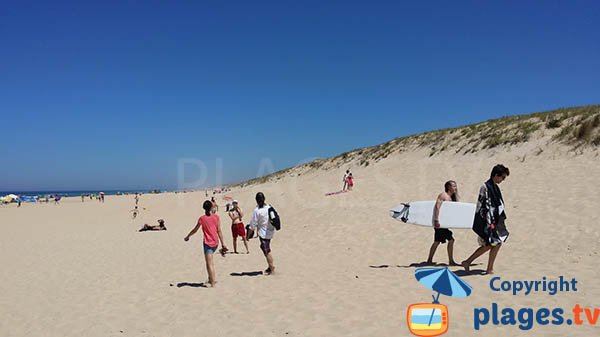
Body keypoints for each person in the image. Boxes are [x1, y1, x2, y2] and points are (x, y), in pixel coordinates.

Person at [462, 164, 510, 275]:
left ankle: (474, 263)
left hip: (494, 221)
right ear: (496, 175)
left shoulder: (495, 187)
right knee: (492, 244)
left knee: (495, 244)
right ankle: (472, 263)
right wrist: (487, 222)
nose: (503, 180)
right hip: (487, 222)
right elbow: (480, 205)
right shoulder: (485, 187)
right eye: (502, 177)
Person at [184, 200, 228, 287]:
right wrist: (223, 244)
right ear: (211, 207)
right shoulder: (216, 217)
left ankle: (212, 283)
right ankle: (210, 278)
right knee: (210, 262)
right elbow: (219, 231)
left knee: (209, 264)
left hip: (208, 244)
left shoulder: (202, 219)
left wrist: (188, 236)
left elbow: (195, 230)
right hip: (216, 243)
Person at [427, 180, 460, 266]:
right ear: (448, 187)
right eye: (454, 186)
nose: (455, 188)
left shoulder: (451, 197)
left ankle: (429, 260)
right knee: (451, 240)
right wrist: (436, 220)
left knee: (437, 241)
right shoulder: (443, 195)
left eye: (455, 186)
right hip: (439, 224)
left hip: (443, 224)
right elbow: (437, 207)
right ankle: (451, 261)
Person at [248, 192, 276, 275]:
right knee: (265, 248)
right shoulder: (269, 207)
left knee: (267, 251)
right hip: (270, 232)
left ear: (256, 200)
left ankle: (272, 268)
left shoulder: (257, 211)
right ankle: (269, 266)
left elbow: (252, 226)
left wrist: (247, 236)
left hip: (263, 234)